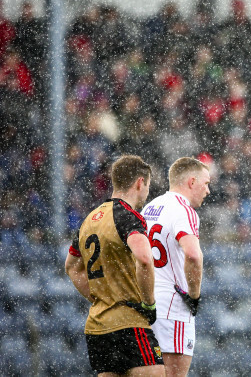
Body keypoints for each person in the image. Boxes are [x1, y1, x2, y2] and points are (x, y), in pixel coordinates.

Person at [64, 155, 165, 376]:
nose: (147, 192)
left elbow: (71, 266)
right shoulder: (128, 216)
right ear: (140, 182)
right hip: (129, 324)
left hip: (97, 328)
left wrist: (100, 296)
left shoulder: (89, 219)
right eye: (147, 186)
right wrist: (148, 304)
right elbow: (145, 259)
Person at [141, 157, 211, 376]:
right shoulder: (184, 210)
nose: (208, 191)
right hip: (173, 308)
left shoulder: (150, 208)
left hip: (147, 305)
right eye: (206, 183)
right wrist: (194, 296)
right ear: (191, 182)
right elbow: (193, 254)